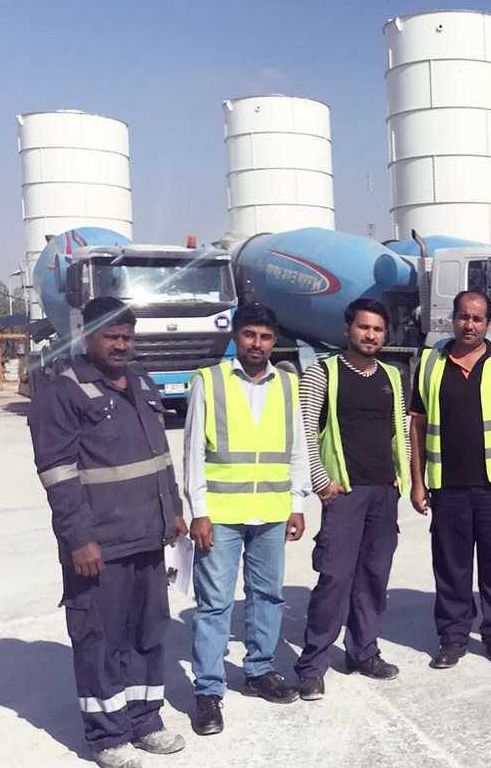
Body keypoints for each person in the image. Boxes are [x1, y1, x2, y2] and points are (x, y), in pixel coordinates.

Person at [29, 296, 187, 768]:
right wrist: (79, 539)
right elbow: (57, 473)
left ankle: (145, 721)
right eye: (111, 336)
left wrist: (174, 511)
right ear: (86, 337)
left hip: (148, 536)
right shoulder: (62, 392)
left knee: (148, 633)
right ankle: (106, 735)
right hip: (99, 544)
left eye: (126, 336)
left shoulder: (141, 382)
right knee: (100, 639)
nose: (120, 344)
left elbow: (159, 457)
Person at [184, 302, 311, 735]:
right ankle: (208, 690)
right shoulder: (209, 381)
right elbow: (192, 453)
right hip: (220, 515)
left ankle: (259, 671)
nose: (258, 344)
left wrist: (297, 503)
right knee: (214, 603)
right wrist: (199, 511)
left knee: (267, 595)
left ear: (275, 341)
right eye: (250, 335)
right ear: (235, 336)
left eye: (266, 337)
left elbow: (297, 447)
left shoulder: (288, 383)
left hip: (272, 511)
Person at [409, 290, 491, 669]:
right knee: (452, 566)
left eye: (478, 319)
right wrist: (417, 481)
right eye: (464, 317)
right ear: (453, 318)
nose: (470, 325)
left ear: (488, 324)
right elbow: (416, 426)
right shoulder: (430, 362)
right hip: (447, 485)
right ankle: (453, 638)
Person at [293, 299, 411, 701]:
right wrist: (321, 481)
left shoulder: (392, 376)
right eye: (364, 327)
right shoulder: (322, 373)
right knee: (334, 579)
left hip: (383, 492)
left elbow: (399, 431)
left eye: (377, 329)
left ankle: (363, 651)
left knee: (374, 577)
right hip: (344, 493)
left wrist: (400, 477)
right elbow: (306, 430)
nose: (370, 335)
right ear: (347, 329)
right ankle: (312, 665)